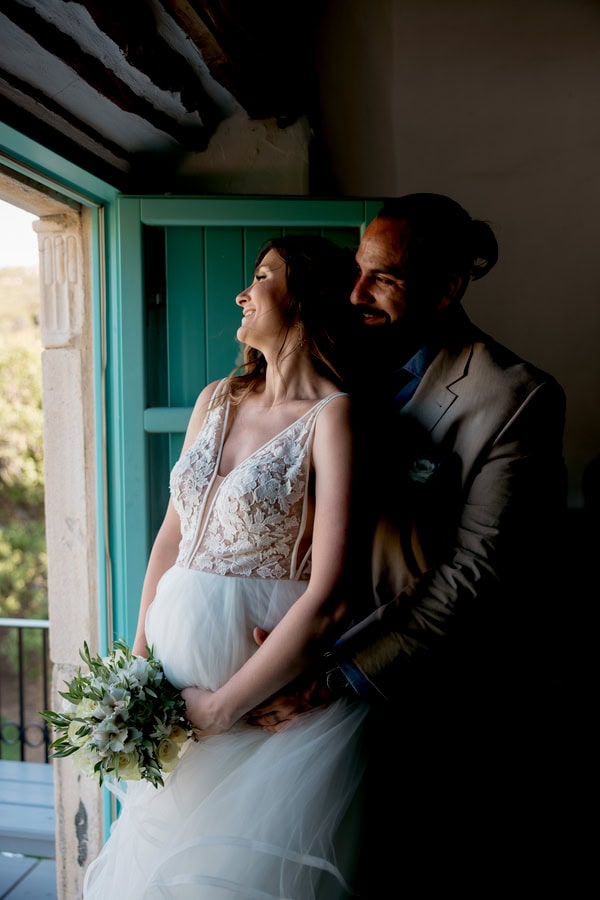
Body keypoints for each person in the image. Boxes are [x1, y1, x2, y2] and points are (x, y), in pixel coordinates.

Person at [248, 193, 569, 893]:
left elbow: (478, 576)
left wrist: (334, 678)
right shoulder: (331, 352)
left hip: (420, 707)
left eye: (384, 278)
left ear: (447, 288)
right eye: (358, 270)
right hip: (287, 670)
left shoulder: (513, 398)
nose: (357, 291)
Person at [82, 234, 371, 899]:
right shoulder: (216, 399)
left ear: (305, 297)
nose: (243, 293)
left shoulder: (333, 417)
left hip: (256, 706)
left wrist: (219, 709)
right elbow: (168, 543)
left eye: (263, 277)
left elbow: (328, 594)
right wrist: (138, 667)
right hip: (173, 690)